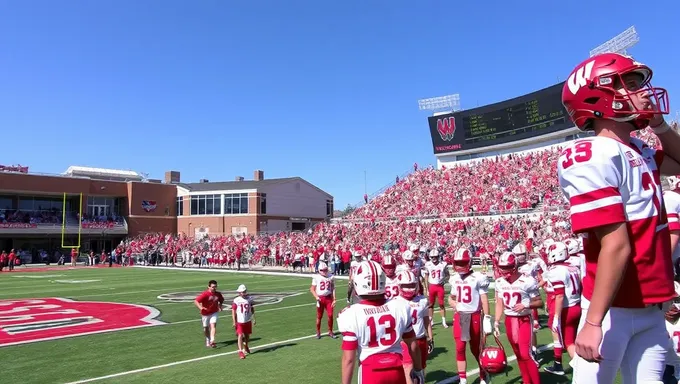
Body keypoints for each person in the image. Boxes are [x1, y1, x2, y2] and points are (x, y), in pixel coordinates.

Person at [558, 52, 678, 383]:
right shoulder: (591, 154)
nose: (643, 91)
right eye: (631, 83)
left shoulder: (637, 149)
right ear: (598, 95)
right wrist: (594, 322)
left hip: (652, 310)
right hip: (612, 313)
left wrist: (660, 125)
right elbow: (617, 245)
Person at [337, 260, 425, 384]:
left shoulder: (350, 314)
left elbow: (349, 359)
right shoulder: (400, 306)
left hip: (371, 372)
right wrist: (418, 369)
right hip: (396, 370)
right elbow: (412, 345)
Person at [494, 252, 543, 384]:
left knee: (526, 354)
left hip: (524, 319)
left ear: (514, 266)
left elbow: (539, 302)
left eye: (507, 267)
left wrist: (526, 304)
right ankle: (527, 381)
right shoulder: (499, 282)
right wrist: (496, 322)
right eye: (502, 267)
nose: (503, 270)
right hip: (510, 320)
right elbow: (499, 303)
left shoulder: (527, 280)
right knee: (518, 355)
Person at [448, 247, 492, 384]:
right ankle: (463, 379)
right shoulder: (455, 278)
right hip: (460, 317)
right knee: (460, 348)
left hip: (474, 316)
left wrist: (487, 318)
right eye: (458, 263)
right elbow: (451, 298)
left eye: (463, 263)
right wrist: (455, 305)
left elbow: (484, 298)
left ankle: (483, 374)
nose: (460, 266)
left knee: (476, 348)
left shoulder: (478, 277)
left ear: (469, 262)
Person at [542, 242, 583, 376]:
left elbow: (559, 296)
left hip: (566, 309)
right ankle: (580, 367)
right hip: (577, 305)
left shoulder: (557, 271)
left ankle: (577, 368)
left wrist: (555, 317)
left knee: (565, 341)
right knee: (572, 340)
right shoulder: (574, 267)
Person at [395, 270, 431, 384]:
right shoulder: (395, 303)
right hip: (405, 341)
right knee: (409, 371)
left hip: (420, 338)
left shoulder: (422, 300)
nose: (409, 288)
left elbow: (426, 320)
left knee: (421, 370)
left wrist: (430, 337)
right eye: (406, 285)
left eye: (411, 285)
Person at [194, 279, 224, 348]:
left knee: (213, 325)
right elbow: (196, 301)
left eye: (215, 286)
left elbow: (221, 300)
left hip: (214, 312)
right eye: (213, 287)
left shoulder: (218, 294)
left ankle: (212, 340)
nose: (214, 288)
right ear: (209, 287)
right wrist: (201, 308)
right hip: (205, 313)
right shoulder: (205, 294)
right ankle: (208, 339)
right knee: (205, 328)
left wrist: (220, 305)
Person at [310, 261, 337, 339]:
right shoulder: (316, 277)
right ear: (319, 270)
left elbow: (333, 288)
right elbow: (312, 289)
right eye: (322, 270)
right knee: (319, 316)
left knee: (330, 315)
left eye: (325, 270)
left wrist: (334, 299)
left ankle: (330, 331)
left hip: (328, 298)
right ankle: (318, 332)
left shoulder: (331, 276)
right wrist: (316, 297)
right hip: (320, 299)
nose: (324, 271)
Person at [424, 249, 449, 328]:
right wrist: (426, 288)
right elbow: (426, 276)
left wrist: (444, 280)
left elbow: (448, 275)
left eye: (435, 257)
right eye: (432, 257)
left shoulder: (443, 264)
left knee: (442, 304)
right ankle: (431, 321)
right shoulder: (428, 264)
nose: (434, 258)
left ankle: (444, 321)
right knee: (431, 305)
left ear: (438, 257)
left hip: (439, 286)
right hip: (432, 286)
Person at [232, 284, 255, 359]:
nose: (242, 293)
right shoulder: (236, 300)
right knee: (240, 335)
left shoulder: (250, 299)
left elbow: (252, 308)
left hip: (247, 319)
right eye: (241, 292)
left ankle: (246, 345)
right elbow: (233, 311)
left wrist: (253, 318)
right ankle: (240, 351)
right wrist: (234, 321)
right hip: (240, 321)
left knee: (247, 335)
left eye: (243, 291)